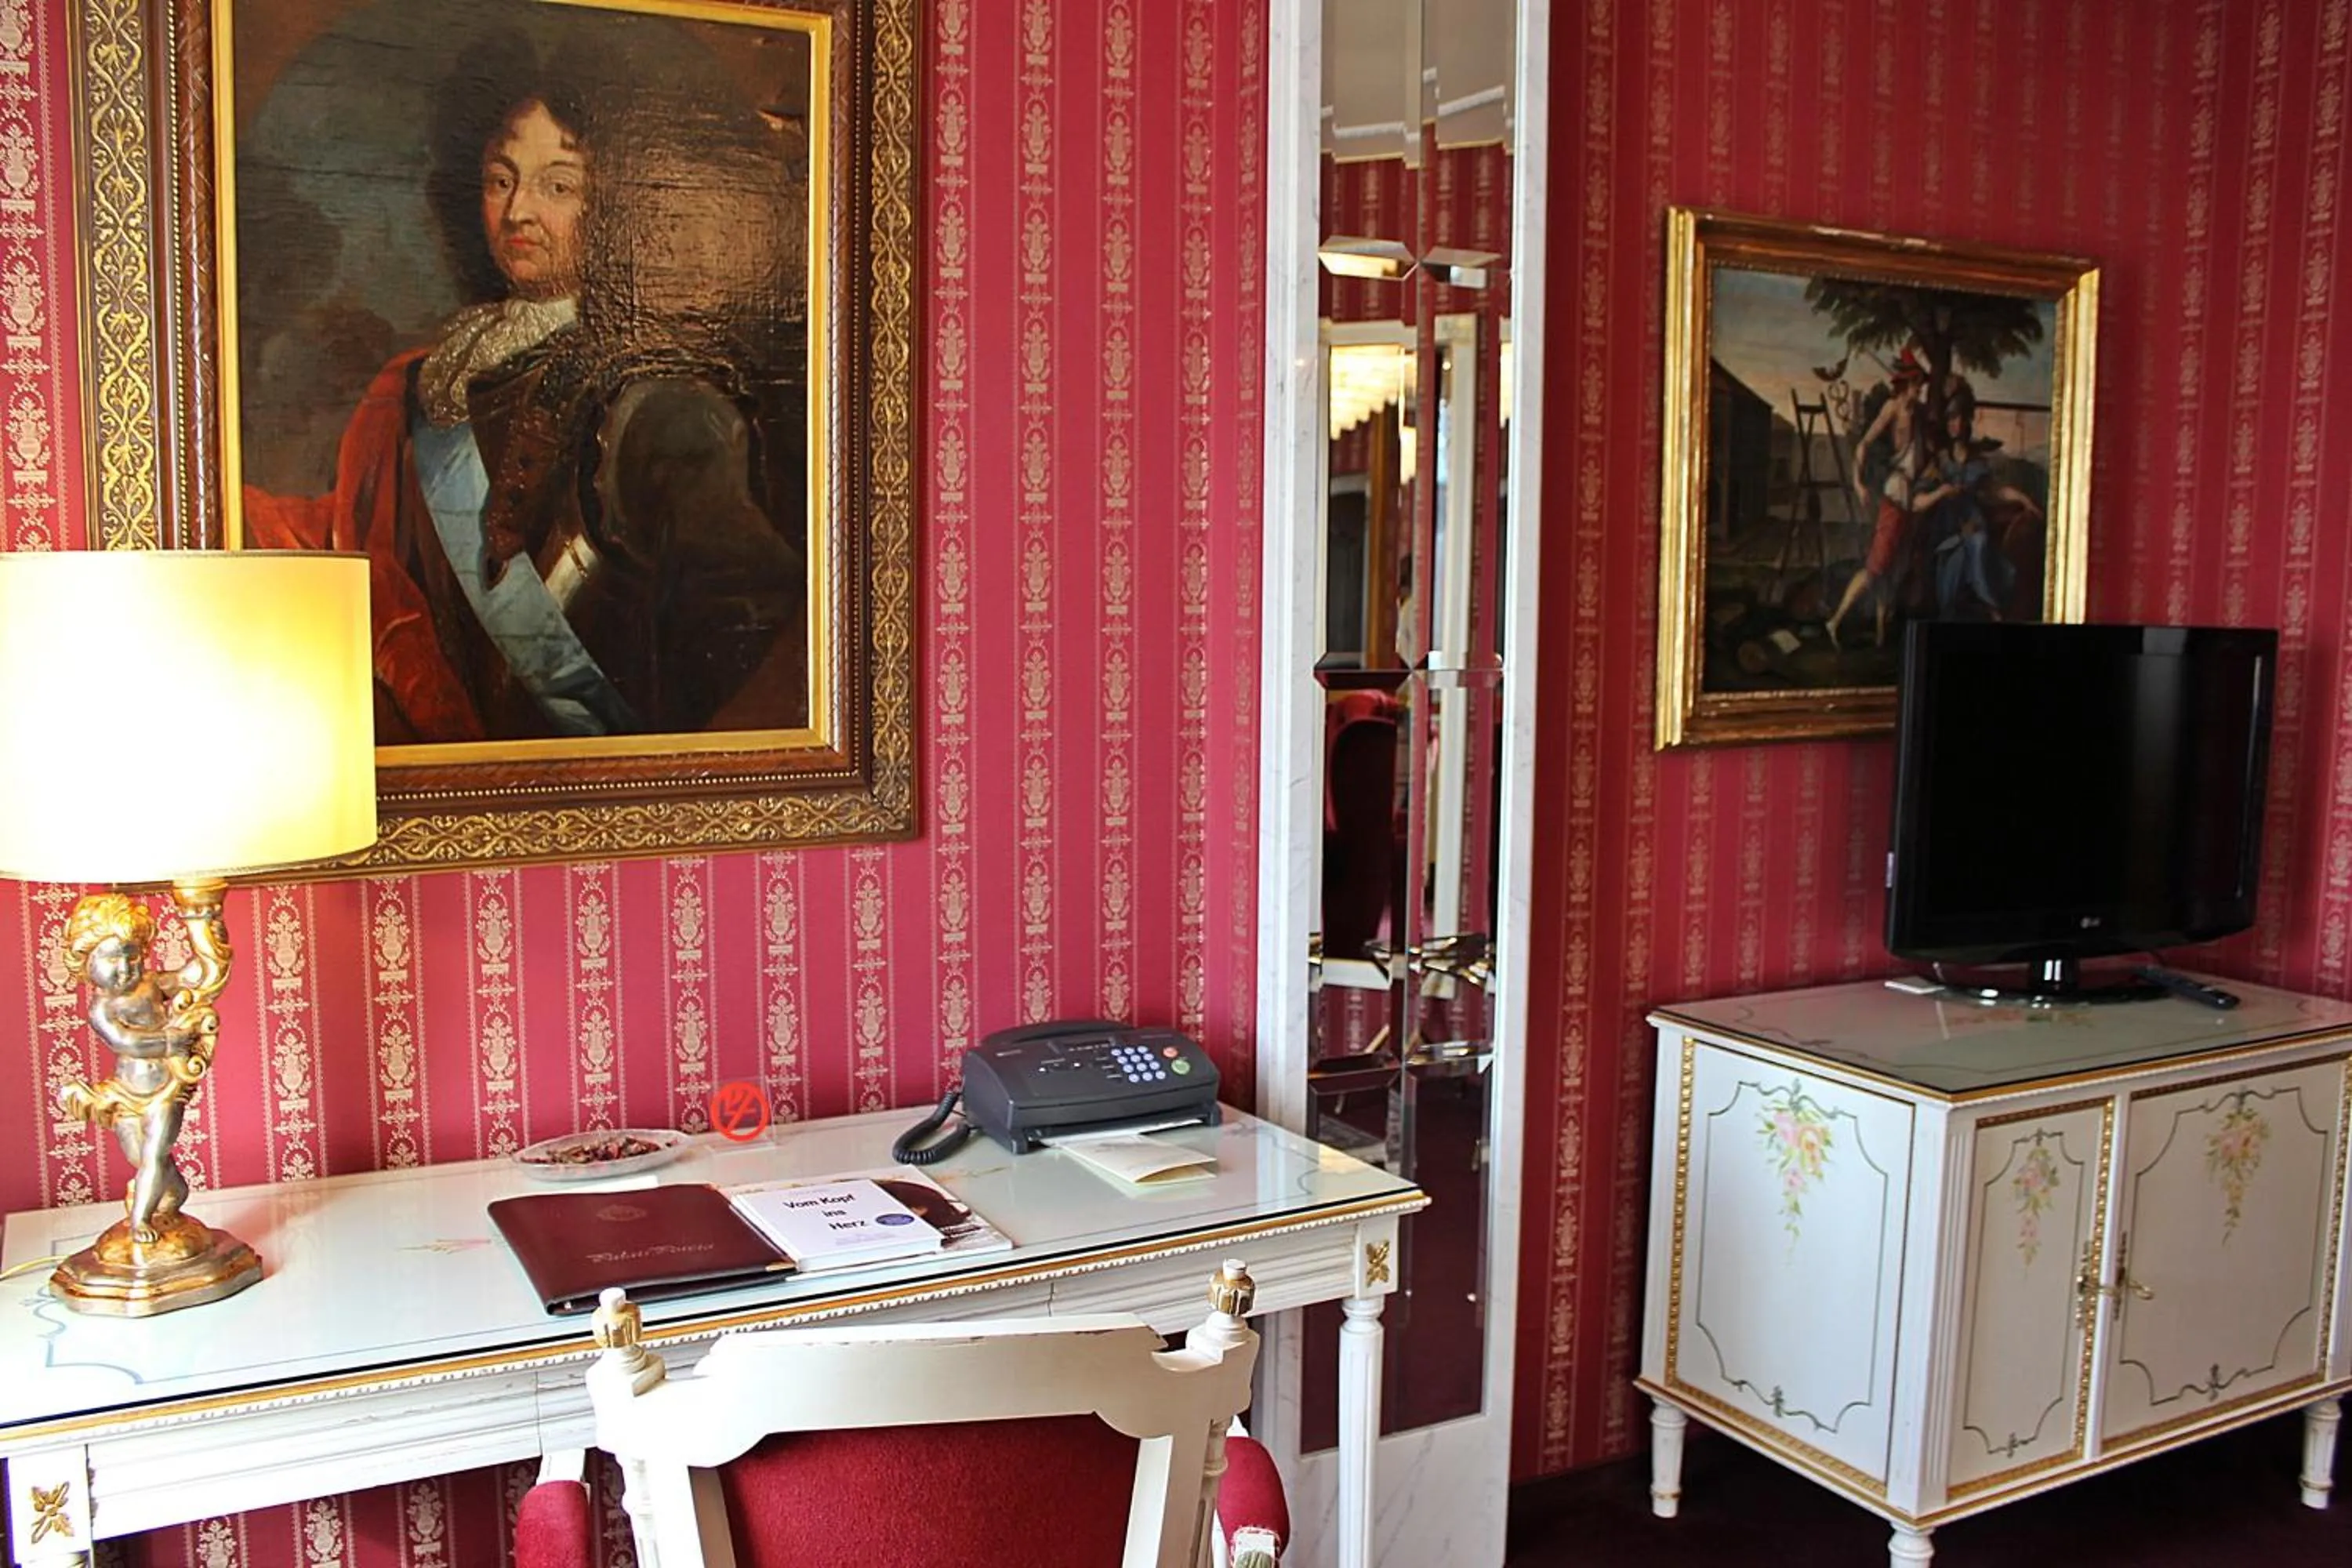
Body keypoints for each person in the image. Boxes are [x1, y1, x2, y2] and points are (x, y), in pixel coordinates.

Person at [244, 64, 808, 745]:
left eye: (558, 186)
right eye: (500, 180)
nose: (518, 213)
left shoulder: (662, 404)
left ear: (617, 204)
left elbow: (751, 635)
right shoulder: (428, 378)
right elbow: (373, 557)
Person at [56, 895, 227, 1246]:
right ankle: (169, 1199)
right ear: (85, 962)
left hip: (167, 1088)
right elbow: (127, 1043)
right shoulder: (102, 1008)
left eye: (133, 955)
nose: (126, 967)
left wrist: (208, 930)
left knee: (154, 1153)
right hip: (126, 1093)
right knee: (145, 1160)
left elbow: (193, 975)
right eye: (112, 958)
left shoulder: (150, 984)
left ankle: (140, 1221)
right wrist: (169, 1042)